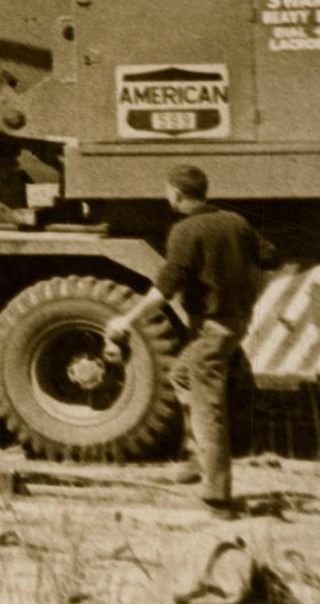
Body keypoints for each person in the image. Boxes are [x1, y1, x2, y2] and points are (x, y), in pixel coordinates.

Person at [105, 163, 272, 517]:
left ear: (176, 193)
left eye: (168, 191)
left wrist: (126, 320)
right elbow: (268, 257)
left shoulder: (184, 231)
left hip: (212, 328)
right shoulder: (236, 221)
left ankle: (218, 497)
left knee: (208, 407)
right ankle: (198, 459)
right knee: (181, 376)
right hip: (234, 322)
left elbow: (165, 289)